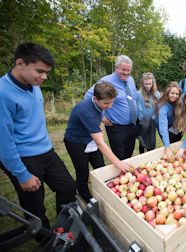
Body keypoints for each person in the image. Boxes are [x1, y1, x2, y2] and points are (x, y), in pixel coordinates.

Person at [0, 42, 76, 230]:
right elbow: (3, 142)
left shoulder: (34, 84)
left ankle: (62, 231)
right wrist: (22, 174)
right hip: (24, 157)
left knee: (68, 187)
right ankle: (45, 241)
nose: (44, 77)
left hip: (46, 151)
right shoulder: (3, 93)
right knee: (34, 208)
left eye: (47, 72)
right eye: (40, 71)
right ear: (20, 64)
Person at [64, 82, 134, 202]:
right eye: (107, 103)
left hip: (90, 140)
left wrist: (102, 117)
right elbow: (101, 143)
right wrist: (118, 163)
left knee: (100, 168)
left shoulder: (98, 104)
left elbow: (99, 114)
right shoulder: (86, 110)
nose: (110, 106)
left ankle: (104, 195)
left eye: (112, 102)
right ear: (96, 98)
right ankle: (87, 200)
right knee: (83, 173)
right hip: (76, 142)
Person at [85, 55, 139, 160]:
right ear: (116, 68)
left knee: (129, 155)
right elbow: (88, 97)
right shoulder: (106, 81)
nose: (126, 73)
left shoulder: (131, 80)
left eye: (128, 70)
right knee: (119, 157)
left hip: (132, 125)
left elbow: (133, 98)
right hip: (116, 128)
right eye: (123, 70)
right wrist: (102, 116)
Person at [157, 81, 186, 159]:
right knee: (169, 145)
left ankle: (173, 152)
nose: (175, 96)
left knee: (175, 144)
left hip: (173, 125)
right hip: (164, 126)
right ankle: (169, 152)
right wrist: (167, 148)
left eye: (177, 94)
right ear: (167, 92)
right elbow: (163, 128)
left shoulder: (179, 101)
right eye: (172, 93)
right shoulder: (163, 107)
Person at [137, 72, 161, 153]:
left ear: (153, 83)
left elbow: (158, 108)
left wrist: (153, 117)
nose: (148, 86)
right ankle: (141, 155)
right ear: (143, 83)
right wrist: (141, 119)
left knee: (151, 141)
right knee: (142, 141)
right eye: (146, 84)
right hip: (142, 122)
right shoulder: (138, 94)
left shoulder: (157, 94)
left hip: (152, 122)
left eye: (150, 84)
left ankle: (150, 155)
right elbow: (138, 108)